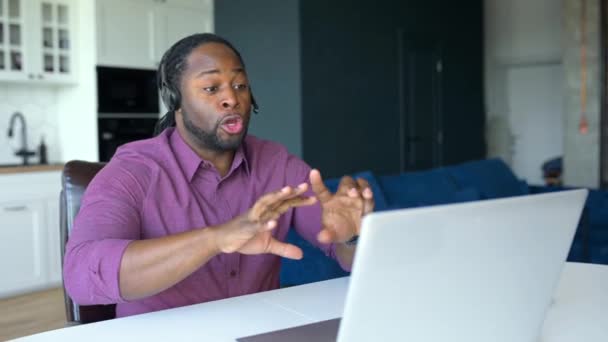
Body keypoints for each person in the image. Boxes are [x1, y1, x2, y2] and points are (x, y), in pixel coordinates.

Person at [63, 33, 374, 318]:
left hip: (257, 330)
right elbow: (80, 276)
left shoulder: (278, 164)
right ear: (175, 100)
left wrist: (353, 236)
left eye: (240, 85)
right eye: (211, 88)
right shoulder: (133, 171)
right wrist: (216, 238)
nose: (232, 99)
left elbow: (347, 256)